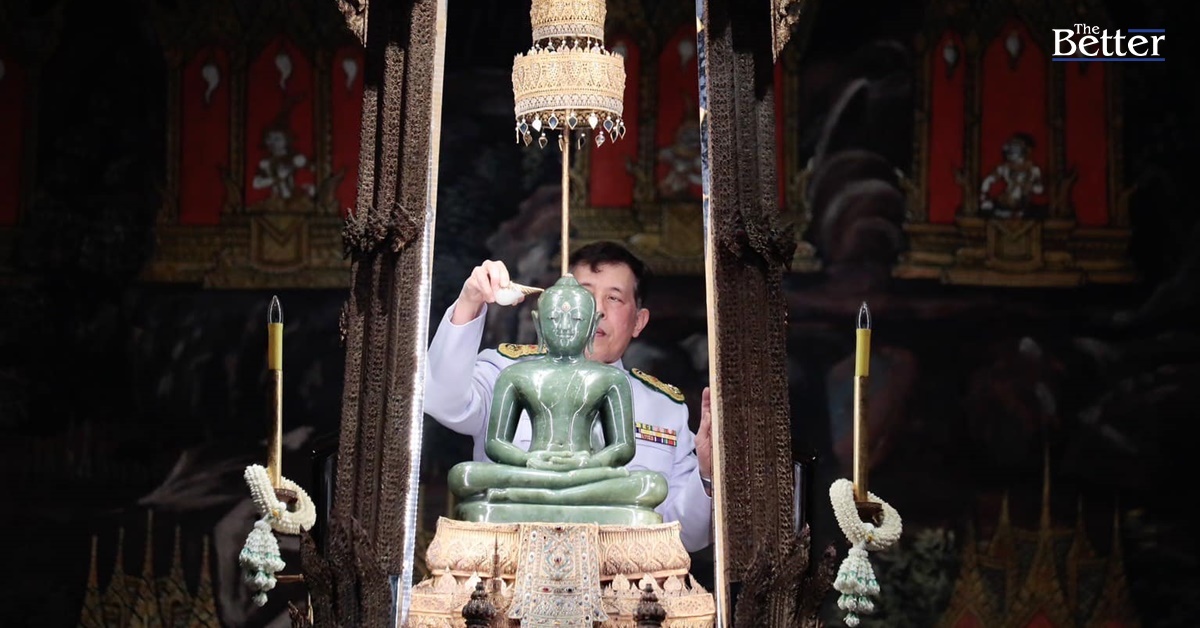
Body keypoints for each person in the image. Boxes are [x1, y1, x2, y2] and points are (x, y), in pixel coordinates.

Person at [424, 241, 713, 552]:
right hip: (514, 554)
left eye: (614, 298)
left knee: (646, 488)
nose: (596, 310)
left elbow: (684, 533)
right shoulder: (507, 371)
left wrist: (709, 474)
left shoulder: (663, 408)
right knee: (468, 477)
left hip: (617, 569)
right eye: (584, 294)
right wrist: (470, 300)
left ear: (638, 322)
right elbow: (443, 401)